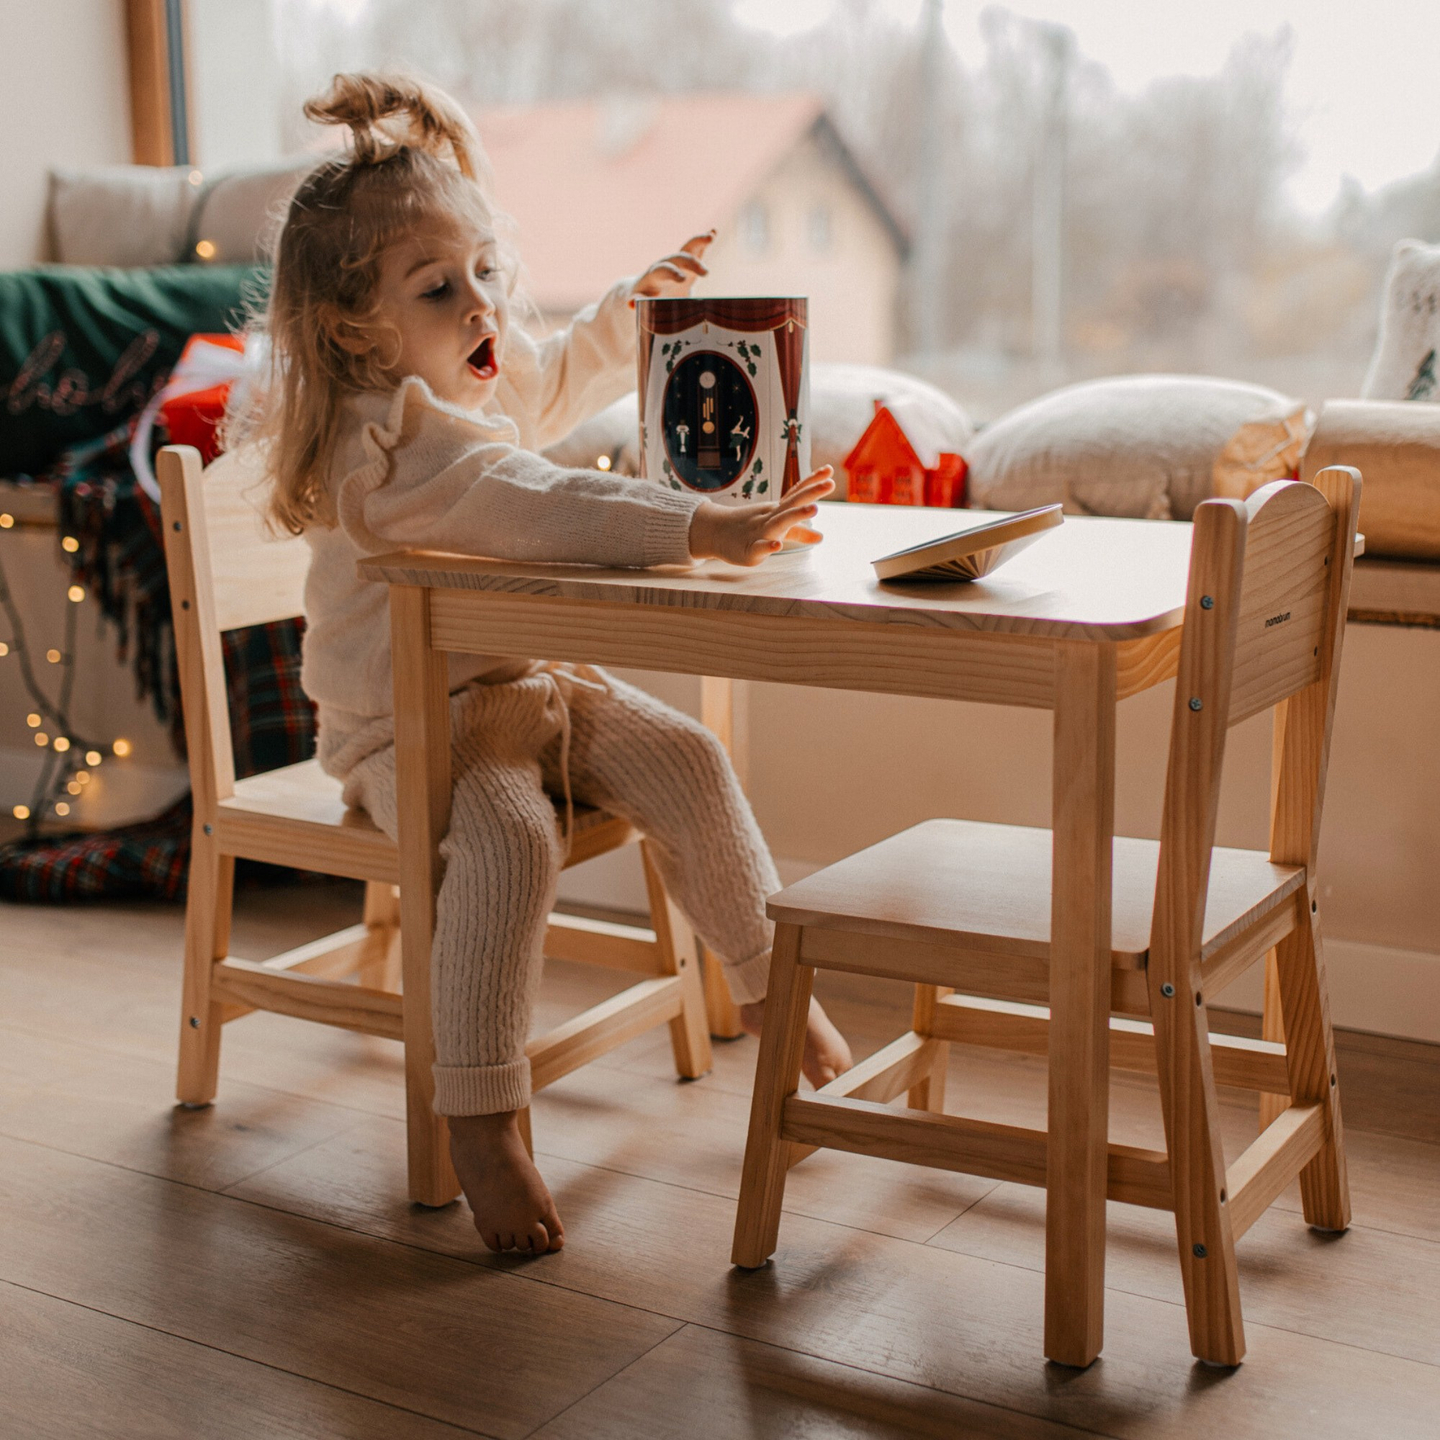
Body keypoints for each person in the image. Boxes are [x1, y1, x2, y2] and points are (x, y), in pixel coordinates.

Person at [239, 73, 852, 1255]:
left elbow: (546, 383)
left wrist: (628, 316)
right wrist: (689, 523)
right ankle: (482, 1118)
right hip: (411, 728)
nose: (480, 307)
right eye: (439, 288)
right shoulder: (387, 450)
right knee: (512, 842)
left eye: (483, 274)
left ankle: (774, 999)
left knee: (688, 758)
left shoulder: (456, 387)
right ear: (351, 330)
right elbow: (529, 496)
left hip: (525, 691)